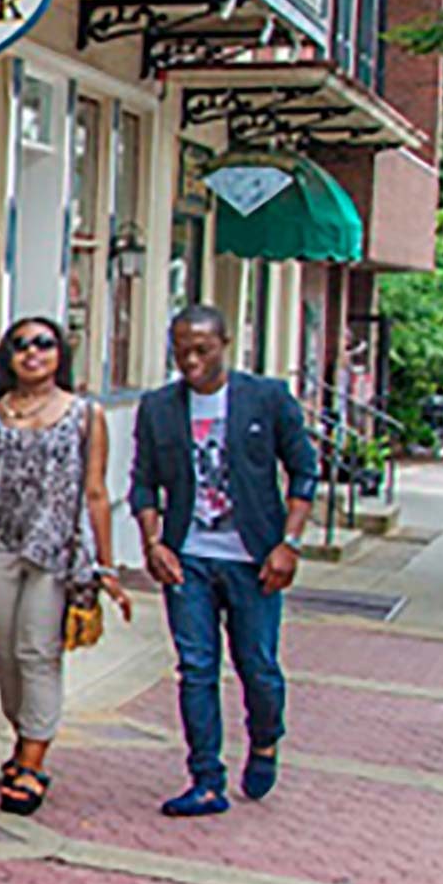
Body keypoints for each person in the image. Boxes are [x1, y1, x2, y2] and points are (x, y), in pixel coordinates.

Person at [0, 321, 128, 815]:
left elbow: (96, 491)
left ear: (60, 353)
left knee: (36, 649)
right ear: (6, 356)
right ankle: (24, 736)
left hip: (55, 549)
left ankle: (34, 758)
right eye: (21, 345)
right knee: (5, 652)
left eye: (44, 343)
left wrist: (107, 565)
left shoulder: (85, 414)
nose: (32, 353)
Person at [130, 305, 319, 817]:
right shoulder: (159, 408)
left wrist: (290, 543)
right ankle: (206, 778)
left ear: (224, 344)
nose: (190, 361)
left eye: (201, 350)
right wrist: (153, 543)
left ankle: (265, 739)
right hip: (188, 558)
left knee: (256, 665)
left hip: (253, 559)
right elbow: (144, 483)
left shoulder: (267, 398)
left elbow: (303, 472)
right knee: (195, 667)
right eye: (181, 350)